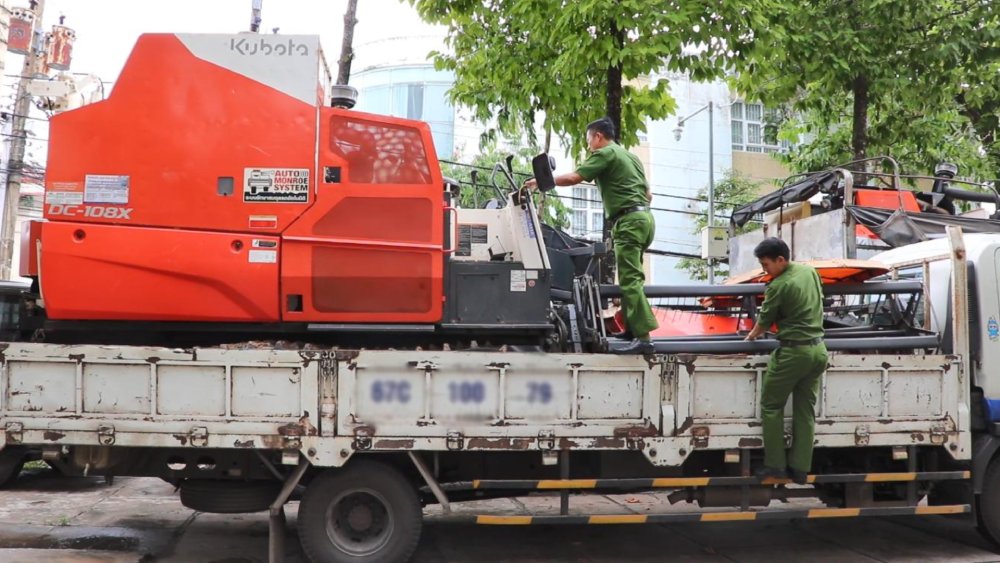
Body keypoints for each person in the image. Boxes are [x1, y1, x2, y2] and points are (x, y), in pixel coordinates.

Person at [525, 117, 658, 354]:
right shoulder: (631, 157)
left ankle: (644, 339)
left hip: (628, 222)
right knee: (632, 277)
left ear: (598, 137)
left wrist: (539, 182)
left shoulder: (605, 153)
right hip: (645, 221)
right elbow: (648, 195)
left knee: (630, 281)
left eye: (588, 142)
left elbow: (575, 178)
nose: (588, 147)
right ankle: (630, 329)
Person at [744, 238, 828, 484]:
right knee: (805, 410)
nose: (764, 270)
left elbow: (763, 322)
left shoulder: (779, 285)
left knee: (771, 407)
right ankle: (800, 468)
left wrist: (749, 338)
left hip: (794, 353)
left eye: (766, 264)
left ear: (781, 260)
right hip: (819, 350)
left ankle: (775, 466)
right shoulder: (809, 271)